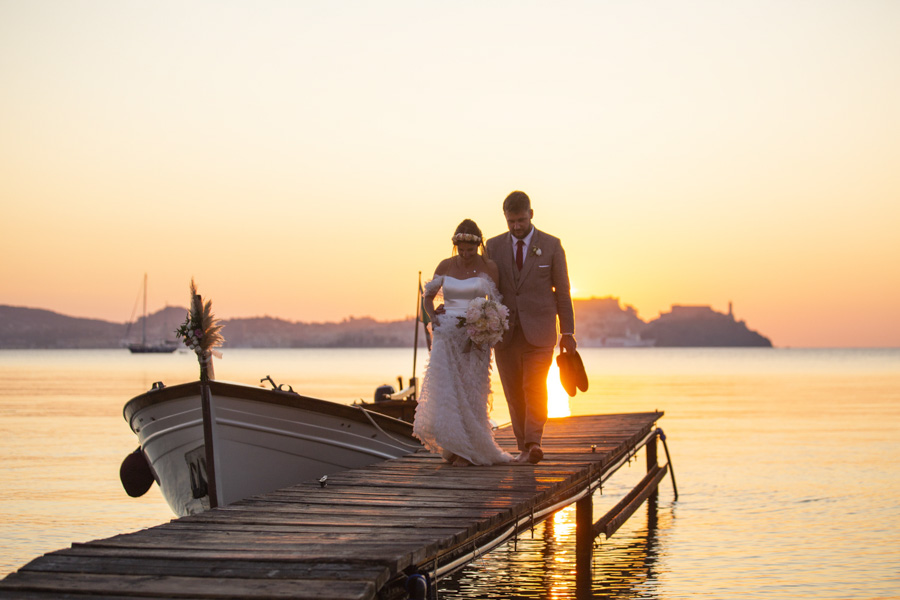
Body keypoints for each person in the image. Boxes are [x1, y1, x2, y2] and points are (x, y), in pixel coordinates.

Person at [413, 219, 514, 467]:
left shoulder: (489, 266)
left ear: (478, 246)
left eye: (471, 250)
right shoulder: (445, 265)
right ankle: (456, 448)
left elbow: (496, 303)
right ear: (455, 246)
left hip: (476, 337)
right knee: (448, 393)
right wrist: (433, 316)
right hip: (447, 337)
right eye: (462, 250)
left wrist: (489, 322)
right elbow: (427, 298)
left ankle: (471, 450)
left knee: (472, 392)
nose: (467, 255)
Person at [485, 191, 576, 464]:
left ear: (531, 215)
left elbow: (563, 291)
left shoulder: (551, 245)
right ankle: (523, 446)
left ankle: (534, 442)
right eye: (511, 221)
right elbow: (486, 289)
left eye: (521, 220)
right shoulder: (492, 247)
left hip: (541, 331)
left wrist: (568, 333)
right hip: (506, 333)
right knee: (514, 393)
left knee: (535, 387)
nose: (516, 226)